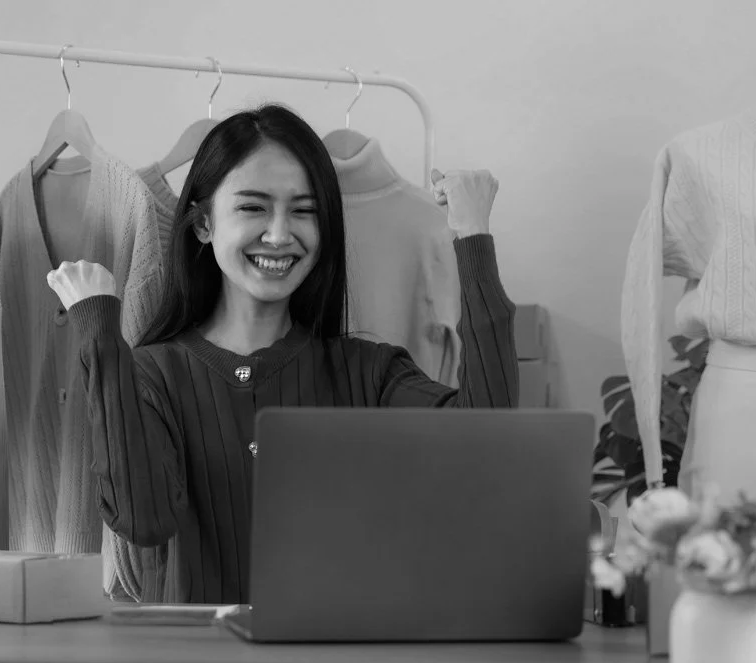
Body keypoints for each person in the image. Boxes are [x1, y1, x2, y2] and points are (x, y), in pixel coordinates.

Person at [47, 104, 518, 604]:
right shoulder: (153, 373)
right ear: (203, 223)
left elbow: (485, 449)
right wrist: (99, 331)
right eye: (253, 207)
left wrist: (473, 238)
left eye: (304, 210)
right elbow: (144, 520)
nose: (279, 234)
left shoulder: (369, 372)